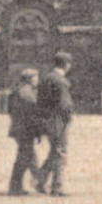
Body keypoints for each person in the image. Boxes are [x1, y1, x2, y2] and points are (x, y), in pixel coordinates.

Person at [36, 51, 74, 196]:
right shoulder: (62, 82)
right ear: (66, 64)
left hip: (46, 121)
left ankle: (40, 180)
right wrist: (69, 118)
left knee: (54, 152)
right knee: (60, 153)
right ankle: (57, 188)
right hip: (59, 122)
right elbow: (65, 105)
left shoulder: (46, 78)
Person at [6, 69, 42, 196]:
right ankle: (16, 187)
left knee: (28, 156)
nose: (37, 80)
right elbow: (33, 114)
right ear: (30, 79)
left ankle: (37, 182)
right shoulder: (28, 93)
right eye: (36, 77)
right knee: (24, 158)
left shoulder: (17, 91)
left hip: (18, 128)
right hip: (26, 129)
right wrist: (38, 131)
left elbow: (9, 110)